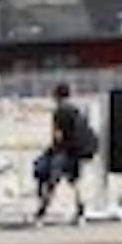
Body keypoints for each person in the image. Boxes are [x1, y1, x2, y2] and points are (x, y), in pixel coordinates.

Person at [33, 83, 98, 225]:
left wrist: (52, 151)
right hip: (79, 151)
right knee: (74, 181)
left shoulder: (59, 111)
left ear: (56, 95)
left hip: (65, 151)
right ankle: (81, 214)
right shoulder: (76, 110)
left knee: (51, 181)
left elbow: (58, 136)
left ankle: (40, 214)